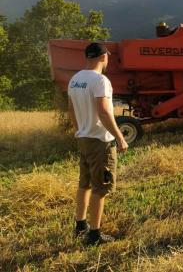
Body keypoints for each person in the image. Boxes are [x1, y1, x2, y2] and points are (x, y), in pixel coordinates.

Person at [67, 42, 129, 246]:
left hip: (83, 139)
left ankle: (80, 225)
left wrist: (79, 129)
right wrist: (119, 137)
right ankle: (94, 235)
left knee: (84, 183)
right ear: (103, 57)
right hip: (100, 142)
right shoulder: (101, 80)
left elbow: (71, 110)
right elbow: (104, 112)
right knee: (100, 187)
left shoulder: (75, 80)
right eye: (107, 56)